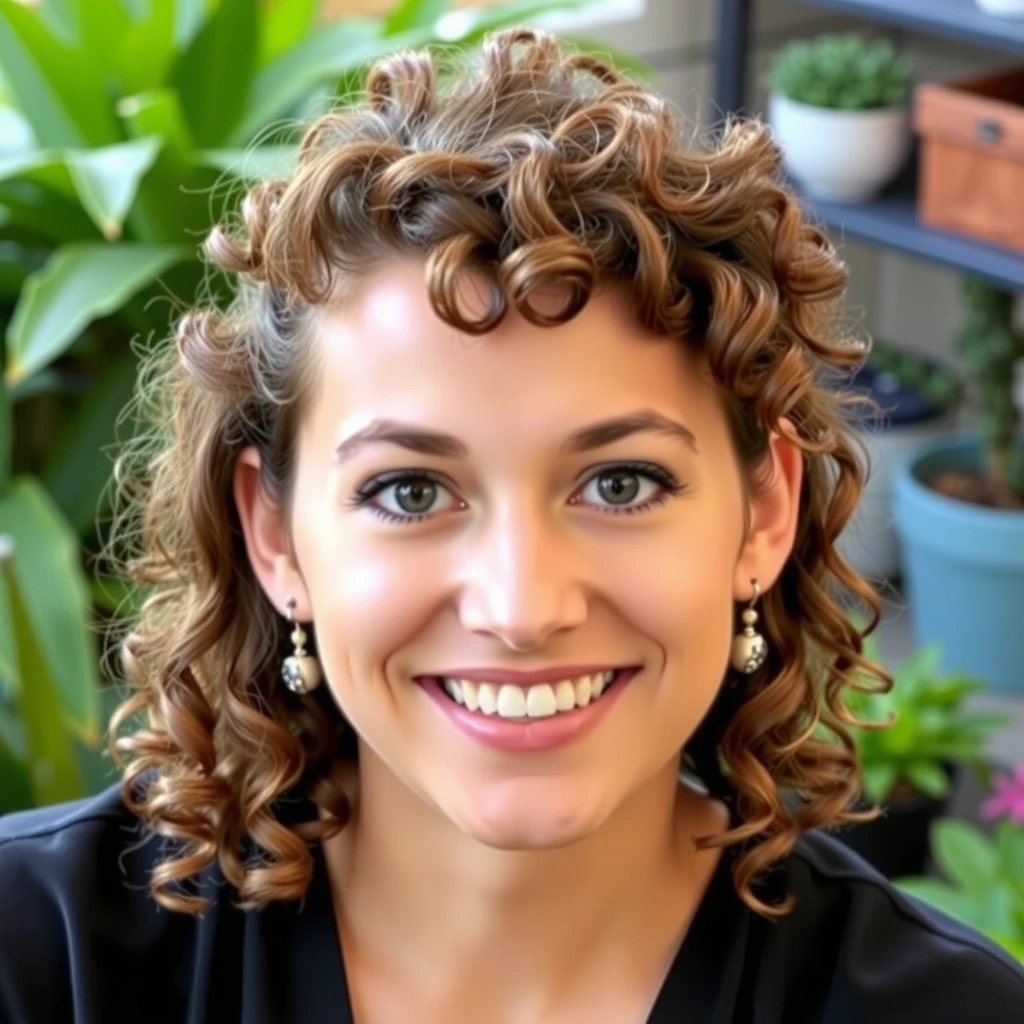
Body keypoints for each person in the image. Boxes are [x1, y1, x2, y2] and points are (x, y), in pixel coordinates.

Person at [1, 25, 1022, 1024]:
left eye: (619, 484)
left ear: (763, 515)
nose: (522, 607)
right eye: (410, 492)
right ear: (275, 536)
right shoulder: (37, 956)